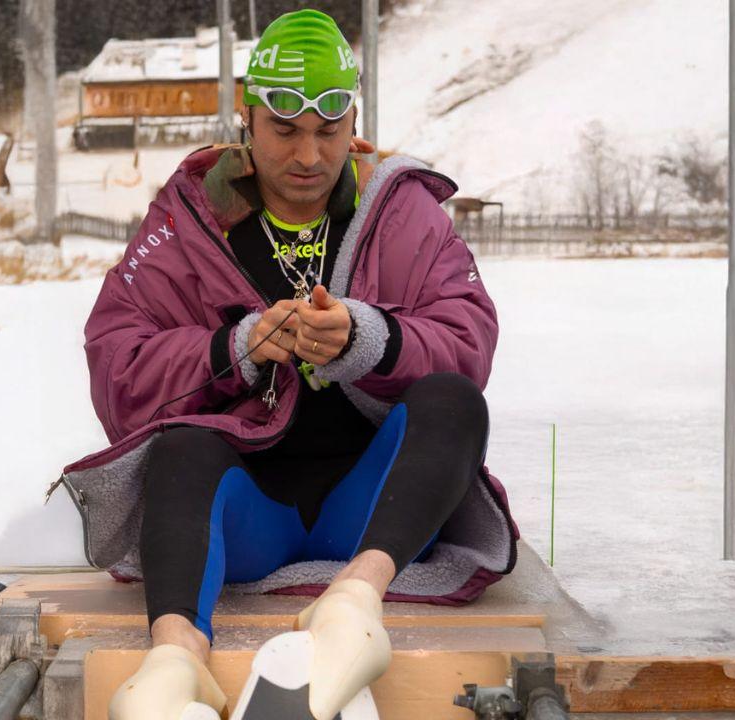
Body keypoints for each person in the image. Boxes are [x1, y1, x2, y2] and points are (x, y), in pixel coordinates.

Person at [60, 9, 518, 719]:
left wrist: (369, 338)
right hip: (246, 517)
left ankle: (352, 608)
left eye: (328, 131)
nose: (308, 155)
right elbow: (117, 364)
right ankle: (174, 661)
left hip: (373, 515)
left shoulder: (401, 210)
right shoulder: (188, 219)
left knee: (455, 403)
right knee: (180, 449)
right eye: (284, 129)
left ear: (353, 118)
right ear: (247, 118)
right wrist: (235, 348)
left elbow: (468, 339)